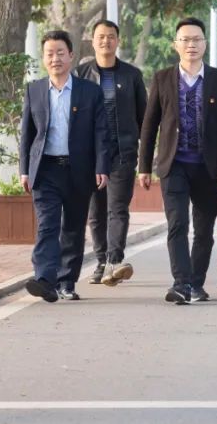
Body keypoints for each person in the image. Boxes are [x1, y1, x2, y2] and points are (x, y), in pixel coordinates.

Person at [138, 18, 217, 305]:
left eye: (197, 39)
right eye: (185, 39)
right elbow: (149, 124)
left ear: (205, 44)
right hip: (174, 164)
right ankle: (181, 283)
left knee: (204, 230)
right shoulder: (162, 78)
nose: (191, 44)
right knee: (177, 224)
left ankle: (196, 283)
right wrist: (144, 166)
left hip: (209, 167)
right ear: (175, 45)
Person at [20, 30, 110, 302]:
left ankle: (66, 281)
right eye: (49, 53)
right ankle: (44, 279)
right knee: (47, 225)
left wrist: (101, 166)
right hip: (45, 169)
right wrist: (25, 169)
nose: (55, 58)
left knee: (72, 226)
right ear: (44, 59)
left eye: (60, 52)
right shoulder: (34, 90)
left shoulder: (89, 92)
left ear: (71, 56)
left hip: (78, 169)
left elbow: (101, 133)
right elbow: (27, 133)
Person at [75, 19, 147, 288]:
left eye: (111, 36)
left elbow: (145, 117)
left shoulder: (132, 75)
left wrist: (142, 153)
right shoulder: (80, 75)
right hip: (90, 155)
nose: (106, 41)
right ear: (93, 41)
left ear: (118, 41)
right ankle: (101, 260)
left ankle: (114, 261)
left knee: (118, 208)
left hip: (122, 153)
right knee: (96, 211)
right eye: (101, 37)